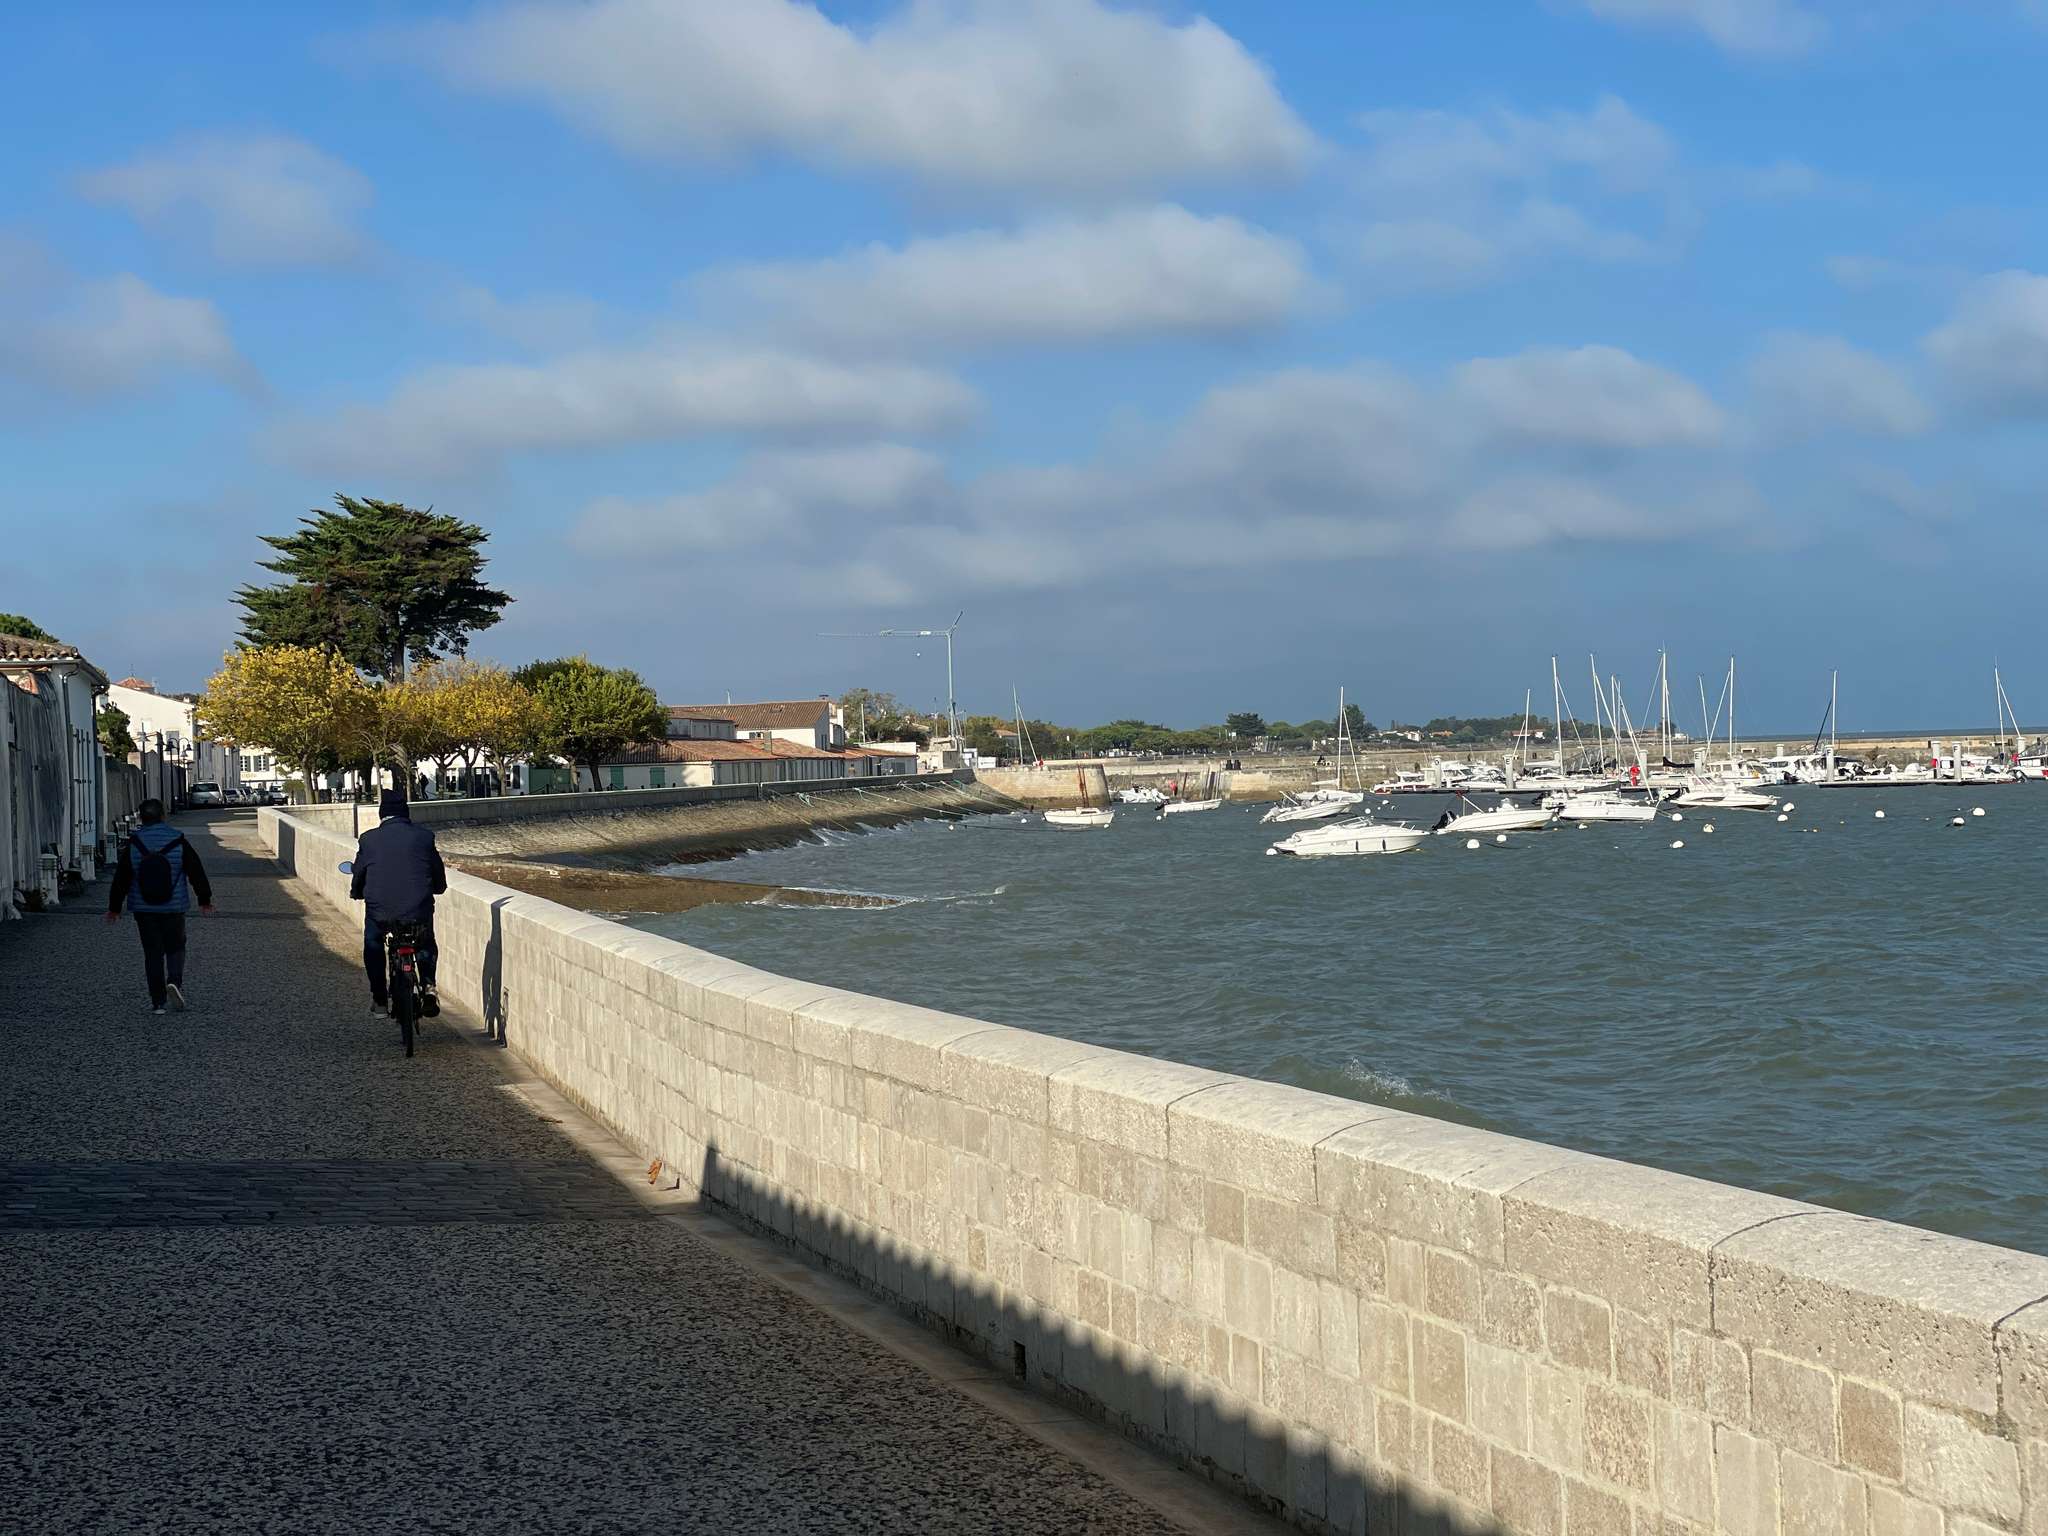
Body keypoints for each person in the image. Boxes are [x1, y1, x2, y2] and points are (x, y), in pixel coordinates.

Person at [105, 797, 214, 1014]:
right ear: (163, 815)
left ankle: (158, 1002)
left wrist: (114, 907)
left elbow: (122, 878)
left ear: (141, 817)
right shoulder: (178, 840)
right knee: (176, 946)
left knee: (152, 952)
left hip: (143, 908)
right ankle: (174, 982)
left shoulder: (134, 843)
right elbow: (196, 871)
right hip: (174, 906)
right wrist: (204, 899)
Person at [348, 787, 446, 1017]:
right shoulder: (424, 837)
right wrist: (438, 888)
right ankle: (429, 986)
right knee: (425, 941)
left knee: (373, 942)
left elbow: (359, 873)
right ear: (405, 813)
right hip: (418, 908)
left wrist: (356, 892)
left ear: (382, 814)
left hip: (380, 911)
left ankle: (380, 1000)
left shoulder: (369, 839)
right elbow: (437, 872)